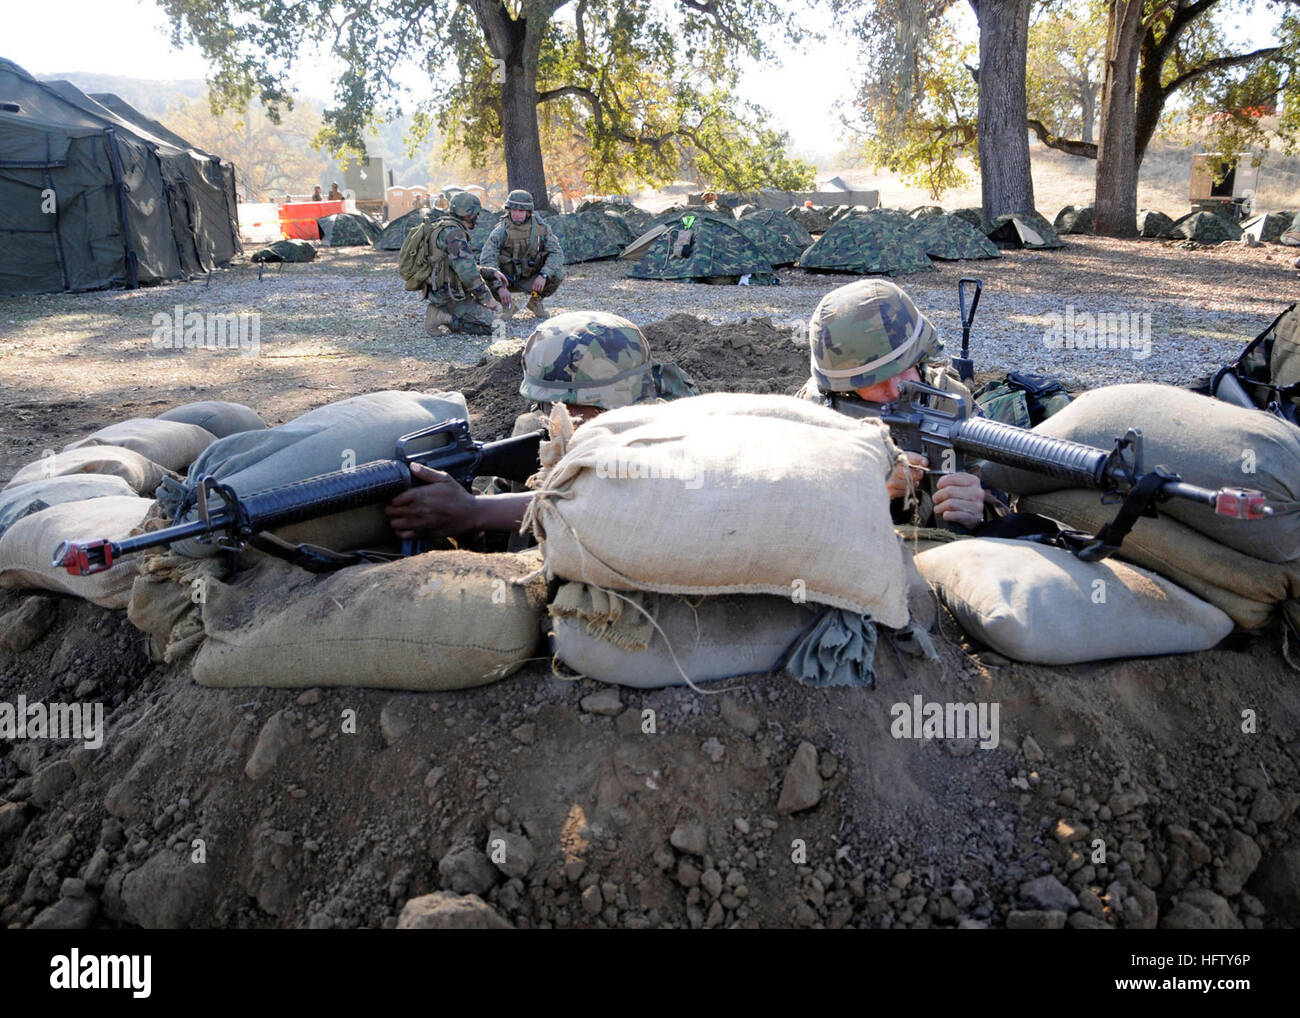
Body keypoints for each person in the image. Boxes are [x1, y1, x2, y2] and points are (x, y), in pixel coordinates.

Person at [386, 311, 693, 540]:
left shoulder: (670, 438)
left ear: (619, 402)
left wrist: (475, 512)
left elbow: (608, 507)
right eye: (549, 404)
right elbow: (502, 515)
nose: (559, 416)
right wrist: (466, 519)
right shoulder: (539, 431)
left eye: (577, 406)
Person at [798, 278, 996, 530]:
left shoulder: (948, 403)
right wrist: (868, 489)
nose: (895, 390)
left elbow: (996, 492)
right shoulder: (814, 417)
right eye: (876, 383)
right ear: (843, 391)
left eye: (904, 371)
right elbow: (790, 511)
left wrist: (979, 510)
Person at [421, 191, 510, 337]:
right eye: (476, 214)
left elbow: (460, 265)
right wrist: (487, 299)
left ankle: (444, 313)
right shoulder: (453, 234)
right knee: (496, 327)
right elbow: (468, 273)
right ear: (469, 215)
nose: (477, 217)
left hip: (440, 291)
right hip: (449, 296)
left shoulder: (443, 226)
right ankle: (442, 317)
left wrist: (490, 272)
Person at [480, 189, 565, 320]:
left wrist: (544, 274)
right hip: (506, 280)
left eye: (521, 211)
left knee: (558, 273)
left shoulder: (542, 229)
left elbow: (557, 253)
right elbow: (487, 260)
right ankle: (508, 306)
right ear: (509, 210)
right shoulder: (500, 231)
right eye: (514, 210)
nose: (517, 214)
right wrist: (499, 286)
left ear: (529, 212)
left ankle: (535, 301)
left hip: (531, 277)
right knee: (484, 275)